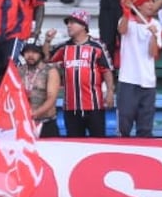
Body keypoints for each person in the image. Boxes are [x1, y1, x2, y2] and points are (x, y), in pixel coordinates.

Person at [45, 9, 114, 137]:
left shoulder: (97, 46)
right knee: (74, 145)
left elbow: (107, 70)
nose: (68, 26)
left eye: (72, 23)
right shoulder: (64, 47)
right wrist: (48, 41)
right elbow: (46, 58)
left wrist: (110, 91)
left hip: (94, 106)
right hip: (70, 107)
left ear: (83, 26)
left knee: (98, 143)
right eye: (68, 23)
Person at [116, 0, 162, 137]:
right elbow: (122, 30)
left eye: (153, 1)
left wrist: (154, 36)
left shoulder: (156, 24)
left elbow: (153, 53)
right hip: (128, 79)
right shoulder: (128, 21)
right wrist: (126, 11)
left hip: (148, 81)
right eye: (147, 1)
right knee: (124, 123)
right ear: (139, 5)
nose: (151, 4)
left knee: (145, 127)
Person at [16, 41, 61, 137]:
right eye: (27, 52)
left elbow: (51, 98)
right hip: (23, 123)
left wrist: (34, 114)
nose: (30, 55)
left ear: (41, 54)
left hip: (45, 123)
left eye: (34, 52)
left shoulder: (50, 71)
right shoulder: (18, 71)